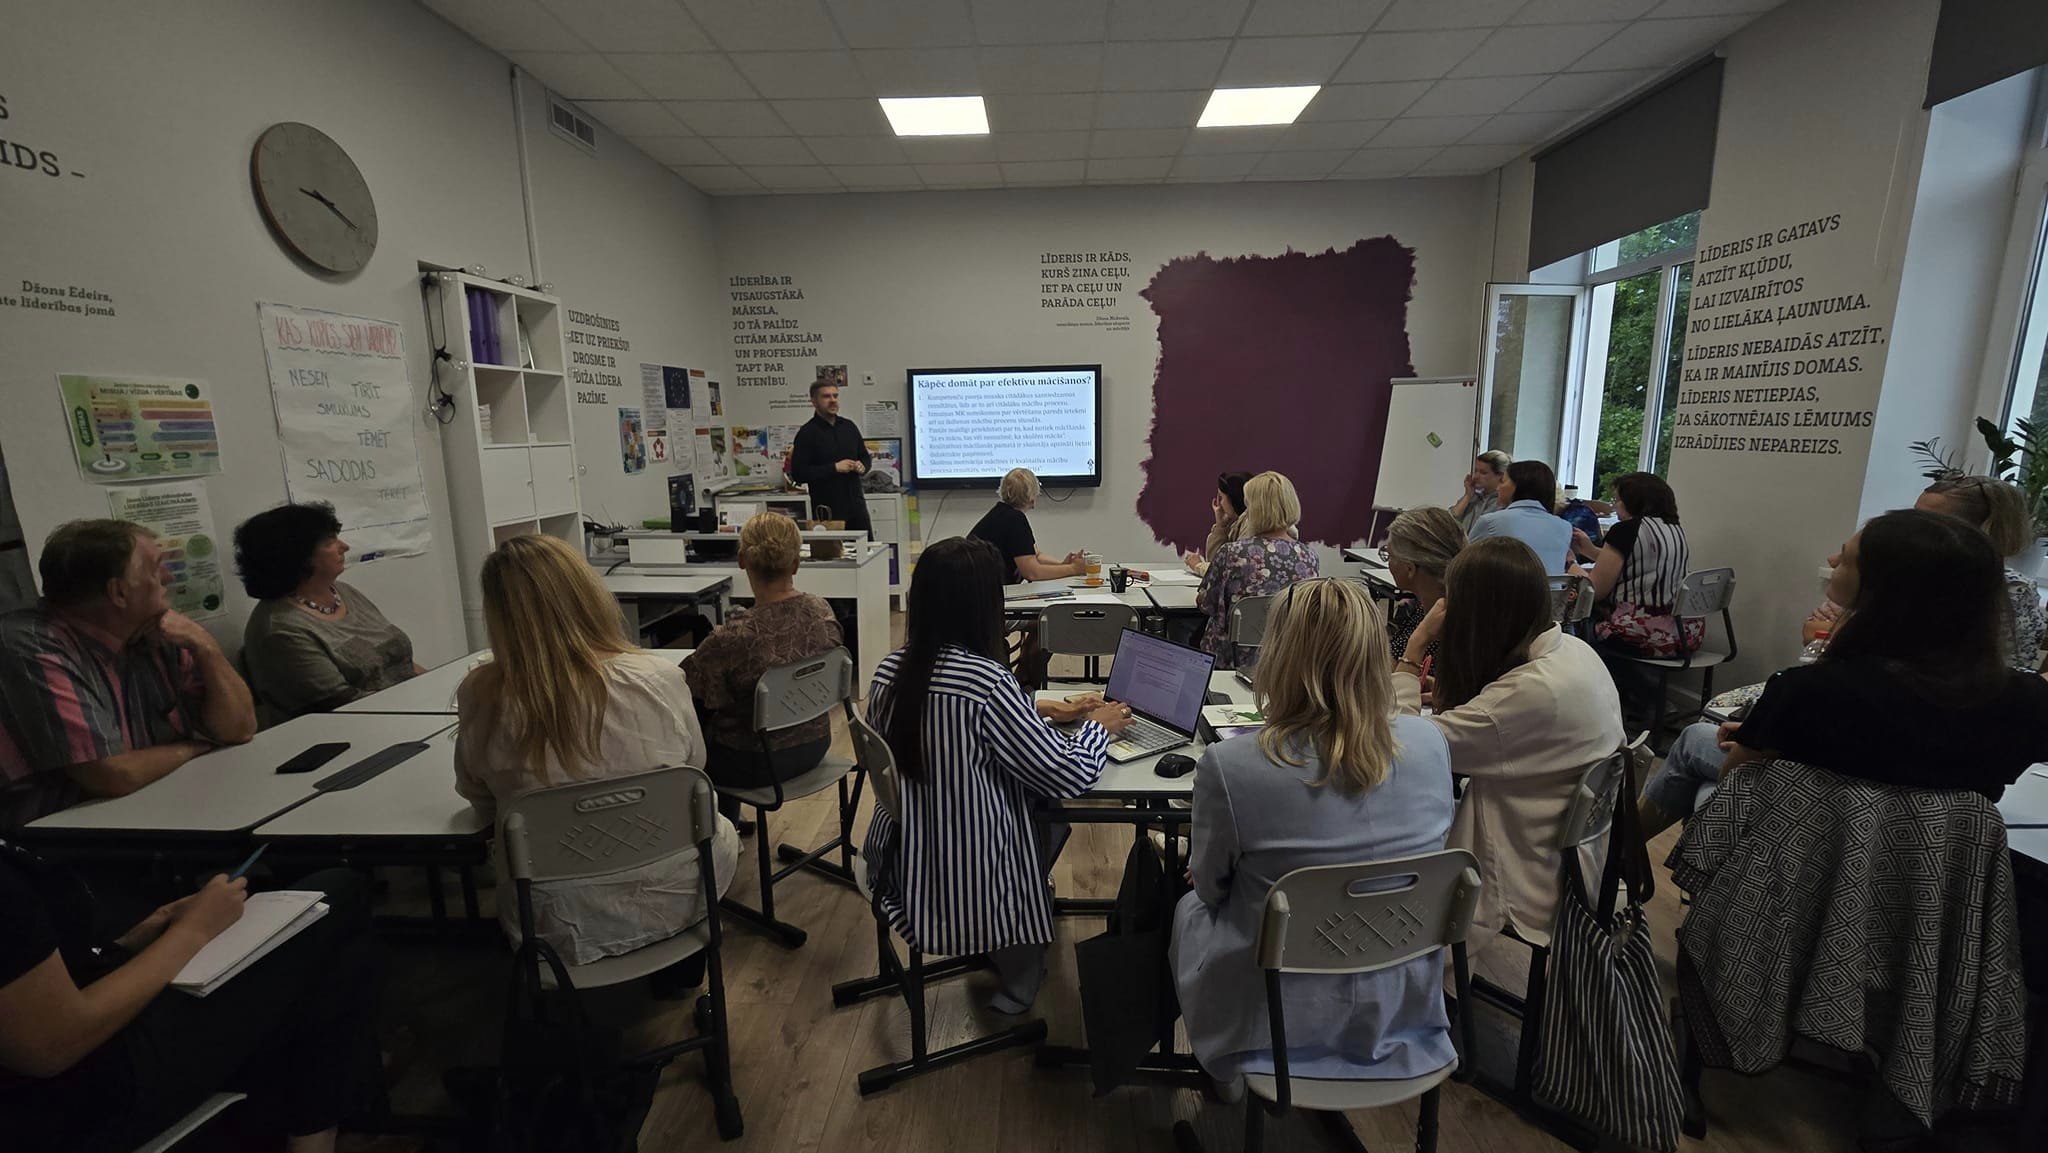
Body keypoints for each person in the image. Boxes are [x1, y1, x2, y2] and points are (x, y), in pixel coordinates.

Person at [1172, 578, 1456, 1090]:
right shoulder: (1430, 743)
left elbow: (1211, 891)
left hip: (1274, 1021)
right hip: (1402, 1010)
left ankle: (1208, 1072)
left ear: (1277, 654)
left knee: (1185, 905)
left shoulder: (1231, 765)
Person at [1639, 509, 2048, 836]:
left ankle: (1621, 862)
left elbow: (1738, 778)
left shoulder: (1812, 690)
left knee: (1697, 744)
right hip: (1939, 870)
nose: (1832, 562)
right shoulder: (2027, 698)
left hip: (1812, 845)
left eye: (1846, 558)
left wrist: (1765, 732)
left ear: (1885, 588)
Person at [863, 537, 1131, 1013]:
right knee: (1049, 809)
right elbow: (1067, 773)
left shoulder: (890, 671)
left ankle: (1011, 947)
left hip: (903, 858)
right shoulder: (987, 682)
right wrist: (1098, 727)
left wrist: (1042, 708)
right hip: (971, 871)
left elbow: (950, 716)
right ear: (984, 607)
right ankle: (1021, 966)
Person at [454, 534, 739, 965]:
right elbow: (693, 769)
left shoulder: (483, 695)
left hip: (551, 922)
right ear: (588, 593)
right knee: (714, 820)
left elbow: (479, 797)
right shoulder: (658, 679)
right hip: (679, 891)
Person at [0, 846, 379, 1153]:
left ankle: (312, 1133)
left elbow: (32, 973)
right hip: (86, 1094)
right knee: (337, 895)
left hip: (90, 1045)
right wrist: (194, 930)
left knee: (336, 951)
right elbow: (52, 1045)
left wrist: (131, 943)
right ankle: (317, 1130)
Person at [1393, 537, 1625, 954]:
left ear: (1476, 614)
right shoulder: (1576, 652)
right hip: (1573, 859)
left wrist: (1413, 654)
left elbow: (1405, 747)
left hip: (1523, 877)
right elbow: (1502, 714)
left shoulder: (1525, 695)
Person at [0, 520, 256, 828]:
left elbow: (239, 729)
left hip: (160, 809)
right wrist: (193, 748)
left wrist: (206, 647)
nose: (168, 577)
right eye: (156, 568)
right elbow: (111, 775)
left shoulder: (157, 629)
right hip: (59, 834)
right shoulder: (31, 645)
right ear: (119, 592)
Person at [683, 512, 843, 820]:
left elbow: (687, 690)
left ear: (742, 560)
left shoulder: (732, 638)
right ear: (795, 564)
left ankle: (720, 832)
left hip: (754, 763)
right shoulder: (821, 611)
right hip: (815, 745)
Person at [235, 502, 421, 724]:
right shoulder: (280, 629)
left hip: (408, 710)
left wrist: (445, 689)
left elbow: (403, 663)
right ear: (298, 556)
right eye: (330, 542)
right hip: (358, 727)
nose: (344, 547)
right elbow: (346, 707)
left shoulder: (343, 592)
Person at [1918, 475, 2044, 670]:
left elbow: (2006, 672)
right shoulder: (1912, 572)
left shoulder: (2012, 590)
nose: (1909, 527)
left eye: (1928, 524)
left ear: (1982, 532)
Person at [1196, 471, 1319, 669]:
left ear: (1254, 509)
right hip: (1283, 661)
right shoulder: (1310, 557)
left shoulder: (1232, 553)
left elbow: (1206, 604)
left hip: (1230, 660)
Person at [1573, 472, 1700, 658]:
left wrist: (1571, 564)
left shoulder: (1625, 530)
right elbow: (1637, 561)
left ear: (1632, 502)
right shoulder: (1674, 528)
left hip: (1640, 634)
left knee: (1574, 619)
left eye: (1617, 500)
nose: (1615, 506)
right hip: (1684, 632)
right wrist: (1591, 550)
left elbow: (1595, 592)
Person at [968, 467, 1088, 584]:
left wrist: (1063, 565)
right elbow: (1032, 572)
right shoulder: (1015, 519)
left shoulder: (1001, 514)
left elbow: (1036, 556)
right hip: (984, 591)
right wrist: (1073, 569)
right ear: (1032, 498)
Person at [785, 376, 871, 534]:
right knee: (834, 549)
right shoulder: (807, 433)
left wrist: (862, 466)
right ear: (814, 401)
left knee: (866, 547)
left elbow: (865, 457)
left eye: (835, 396)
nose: (832, 400)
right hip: (828, 511)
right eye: (826, 396)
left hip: (857, 507)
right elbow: (799, 474)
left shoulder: (849, 427)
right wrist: (834, 468)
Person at [1380, 507, 1465, 662]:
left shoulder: (1443, 627)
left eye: (1390, 555)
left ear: (1410, 569)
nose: (1388, 563)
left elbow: (1394, 673)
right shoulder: (1426, 607)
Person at [1468, 460, 1572, 574]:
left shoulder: (1490, 522)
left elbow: (1463, 564)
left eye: (1502, 481)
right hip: (1551, 586)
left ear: (1518, 486)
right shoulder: (1565, 527)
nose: (1498, 488)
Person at [1181, 470, 1253, 575]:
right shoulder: (1239, 523)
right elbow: (1216, 561)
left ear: (1234, 498)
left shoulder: (1250, 525)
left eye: (1221, 497)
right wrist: (1220, 527)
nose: (1219, 504)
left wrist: (1198, 566)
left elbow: (1231, 572)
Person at [1451, 450, 1512, 533]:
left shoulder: (1504, 502)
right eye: (1476, 471)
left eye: (1483, 473)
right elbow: (1449, 519)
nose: (1476, 476)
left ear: (1501, 476)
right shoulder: (1473, 497)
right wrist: (1467, 496)